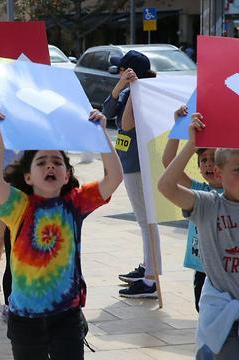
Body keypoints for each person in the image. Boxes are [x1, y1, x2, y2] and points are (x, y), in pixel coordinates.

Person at [0, 106, 123, 359]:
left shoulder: (76, 202)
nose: (50, 166)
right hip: (24, 318)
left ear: (67, 174)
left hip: (67, 314)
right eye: (42, 162)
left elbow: (114, 177)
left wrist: (102, 134)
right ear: (28, 177)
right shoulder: (20, 206)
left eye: (57, 162)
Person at [158, 115, 239, 359]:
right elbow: (166, 186)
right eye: (238, 170)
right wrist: (192, 143)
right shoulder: (207, 204)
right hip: (224, 316)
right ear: (219, 172)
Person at [102, 50, 161, 298]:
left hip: (139, 163)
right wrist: (121, 87)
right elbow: (106, 110)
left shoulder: (143, 93)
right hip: (128, 161)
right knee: (144, 220)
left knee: (146, 220)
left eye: (121, 69)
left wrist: (133, 89)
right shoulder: (128, 90)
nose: (117, 72)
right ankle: (148, 267)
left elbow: (126, 125)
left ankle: (150, 280)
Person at [162, 105, 222, 313]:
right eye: (204, 160)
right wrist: (178, 127)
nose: (208, 164)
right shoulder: (197, 191)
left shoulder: (234, 193)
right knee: (202, 310)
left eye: (214, 159)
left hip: (227, 270)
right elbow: (169, 163)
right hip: (201, 268)